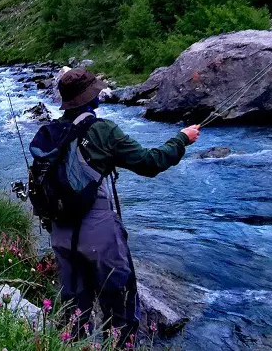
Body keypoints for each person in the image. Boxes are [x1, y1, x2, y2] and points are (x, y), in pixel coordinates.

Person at [40, 68, 199, 347]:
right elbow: (151, 162)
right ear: (92, 99)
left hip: (60, 232)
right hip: (98, 231)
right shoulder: (104, 130)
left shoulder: (49, 132)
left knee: (74, 313)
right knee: (121, 309)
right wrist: (182, 139)